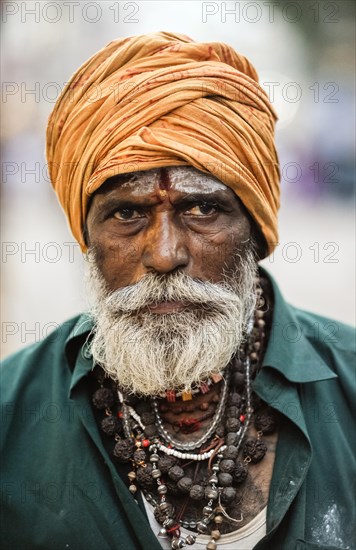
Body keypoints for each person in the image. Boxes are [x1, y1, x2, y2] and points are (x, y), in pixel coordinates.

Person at [1, 32, 354, 550]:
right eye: (126, 214)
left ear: (254, 232)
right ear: (87, 238)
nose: (164, 255)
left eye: (202, 209)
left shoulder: (346, 386)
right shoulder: (12, 416)